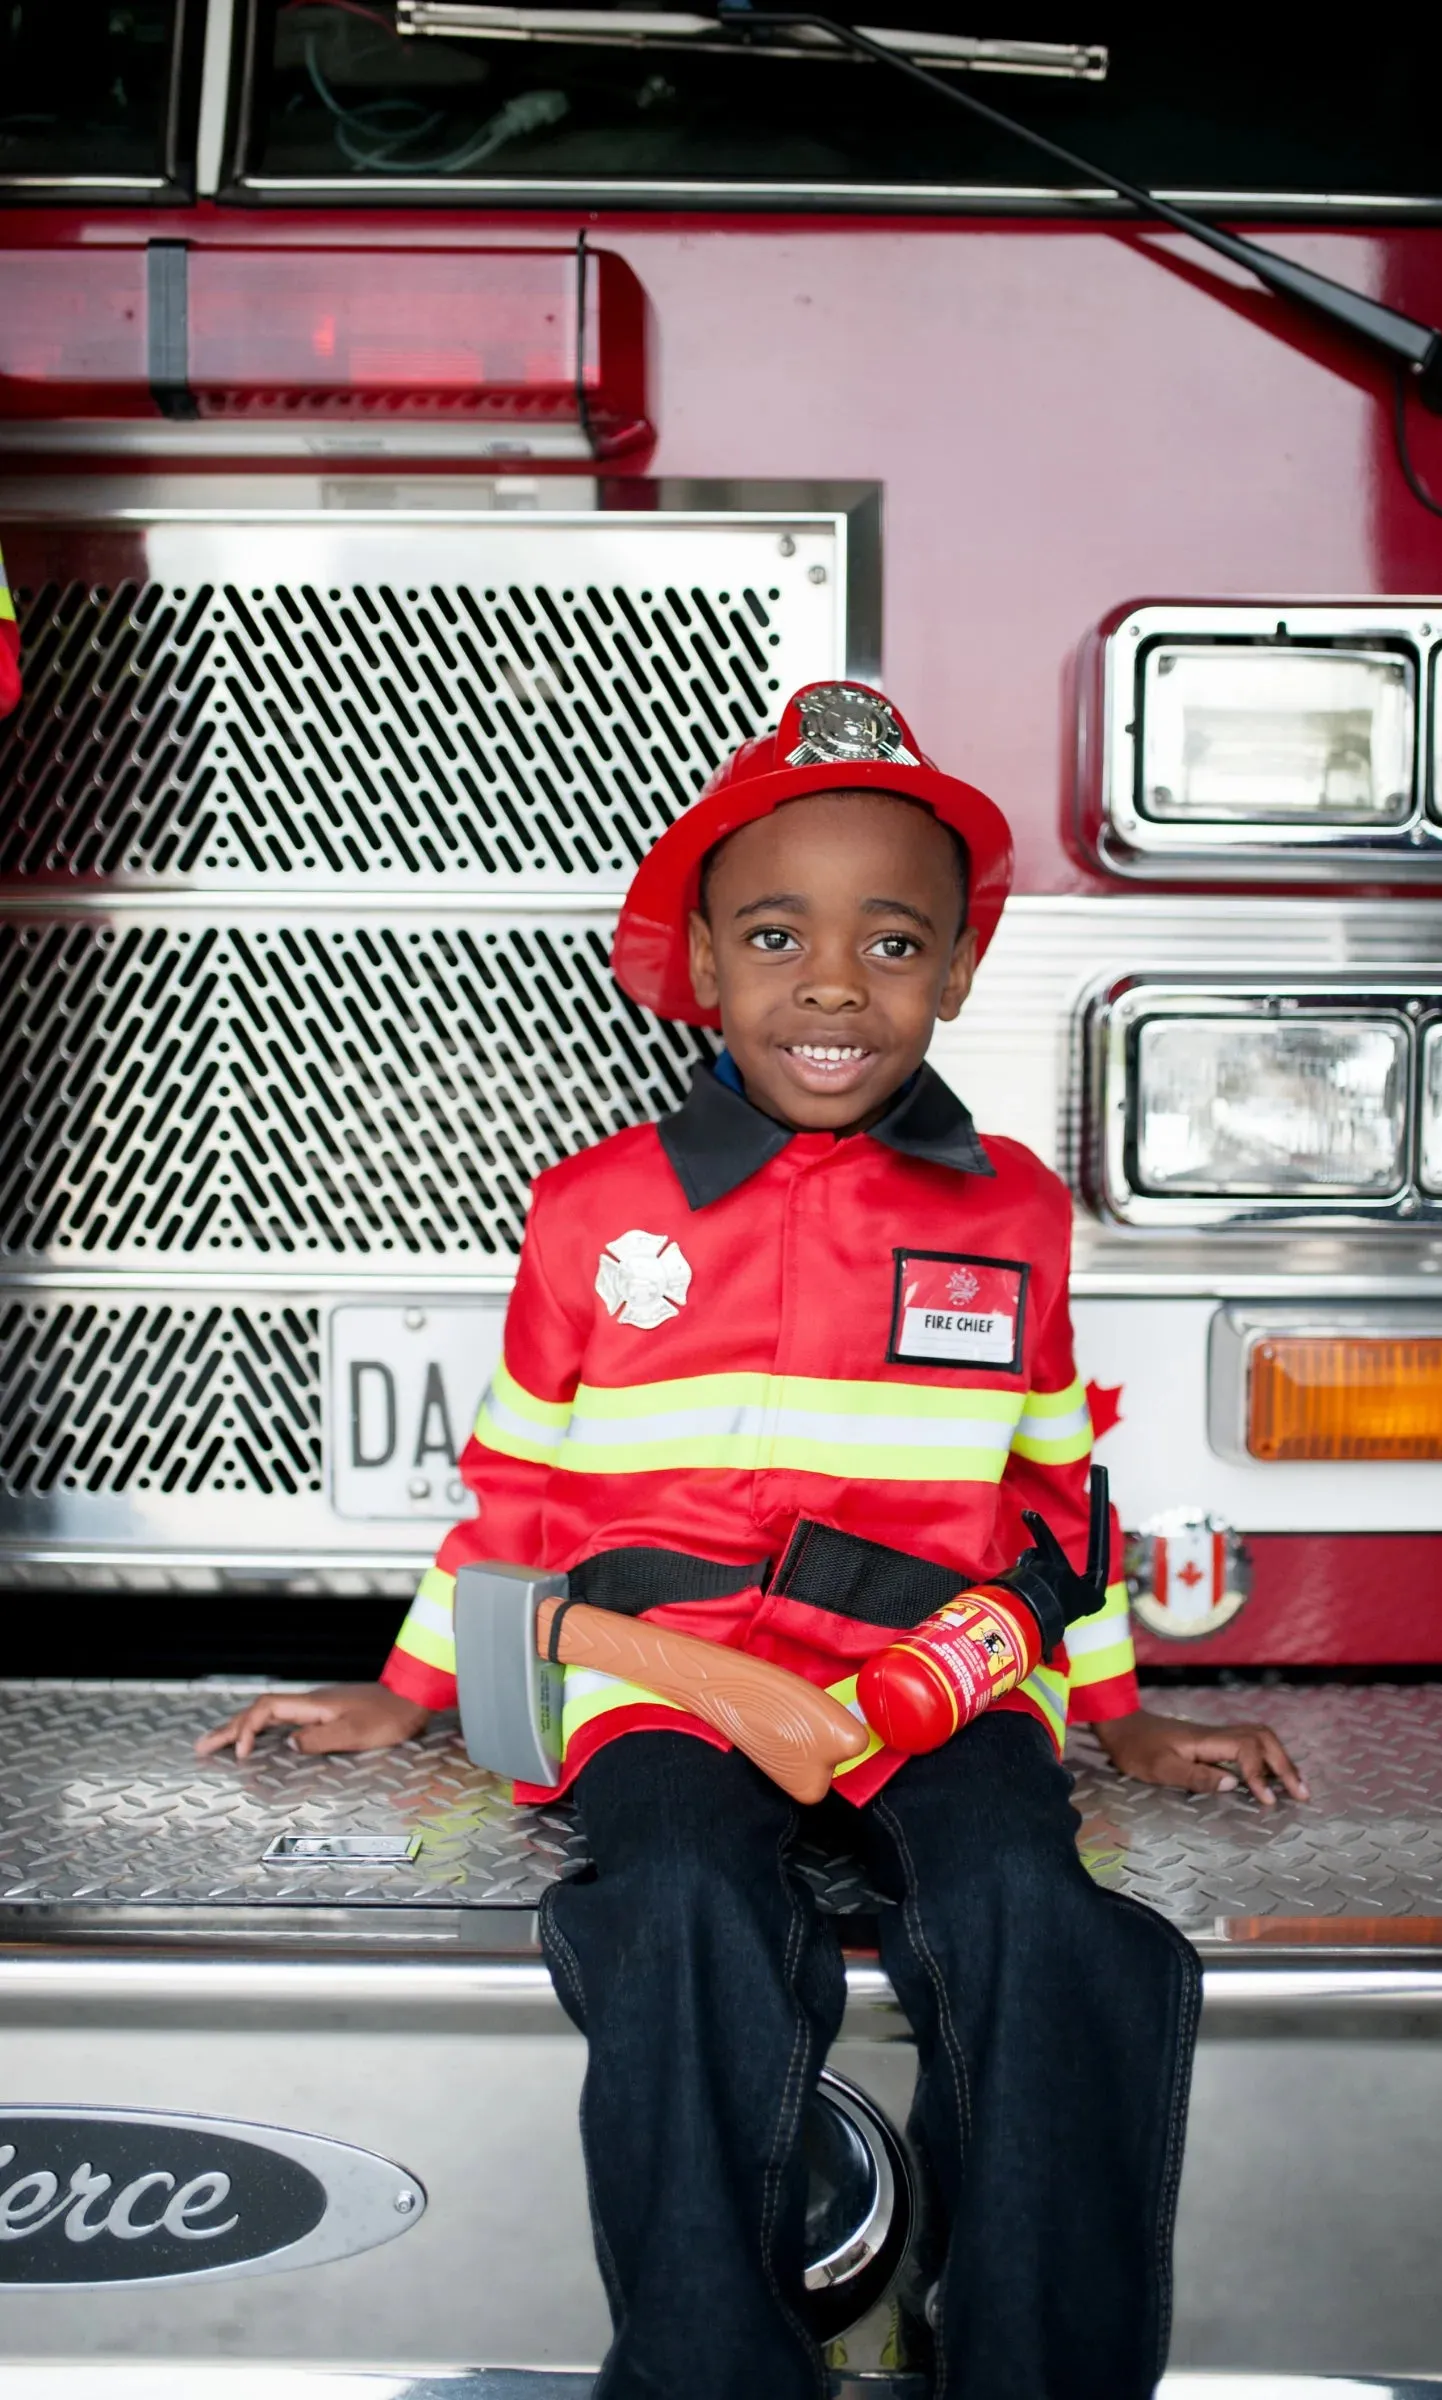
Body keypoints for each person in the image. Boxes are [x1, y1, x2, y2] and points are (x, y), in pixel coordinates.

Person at [200, 681, 1306, 2400]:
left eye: (892, 942)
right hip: (674, 1693)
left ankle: (1029, 2361)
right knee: (681, 1910)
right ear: (704, 968)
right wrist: (409, 1693)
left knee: (1039, 1910)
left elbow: (1053, 1495)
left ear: (950, 974)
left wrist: (1113, 1717)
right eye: (779, 934)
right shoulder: (594, 1209)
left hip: (932, 1688)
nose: (834, 985)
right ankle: (711, 2367)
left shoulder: (1011, 1205)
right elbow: (515, 1482)